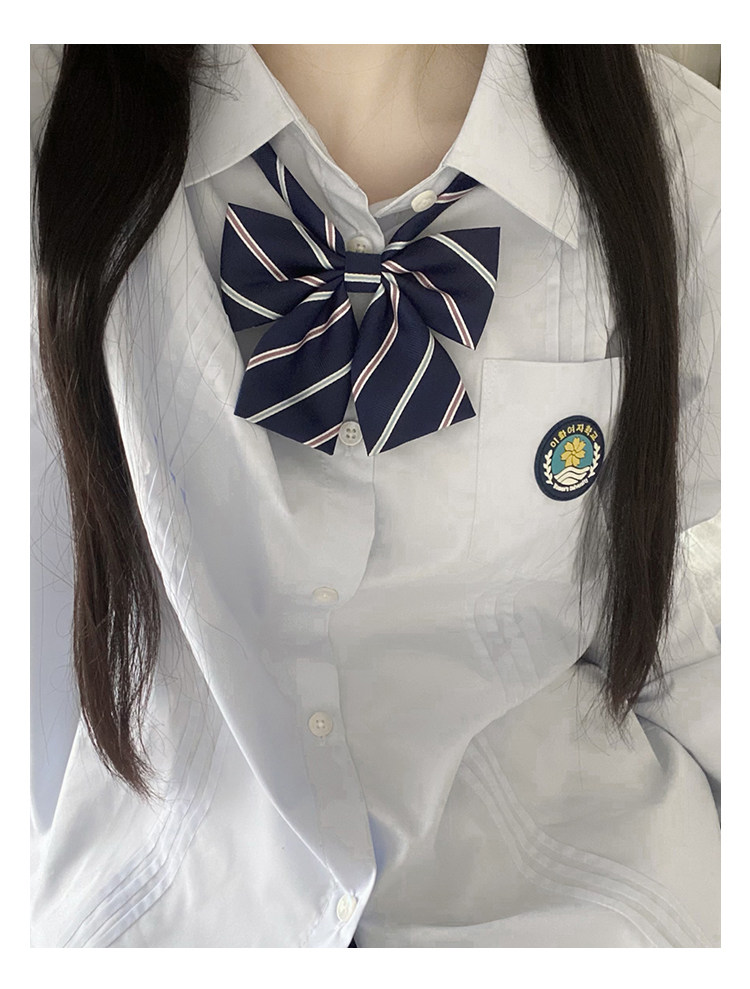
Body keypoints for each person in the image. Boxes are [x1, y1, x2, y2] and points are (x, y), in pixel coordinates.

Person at [30, 44, 720, 948]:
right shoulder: (47, 135)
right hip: (170, 894)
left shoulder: (695, 170)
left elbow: (681, 583)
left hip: (590, 888)